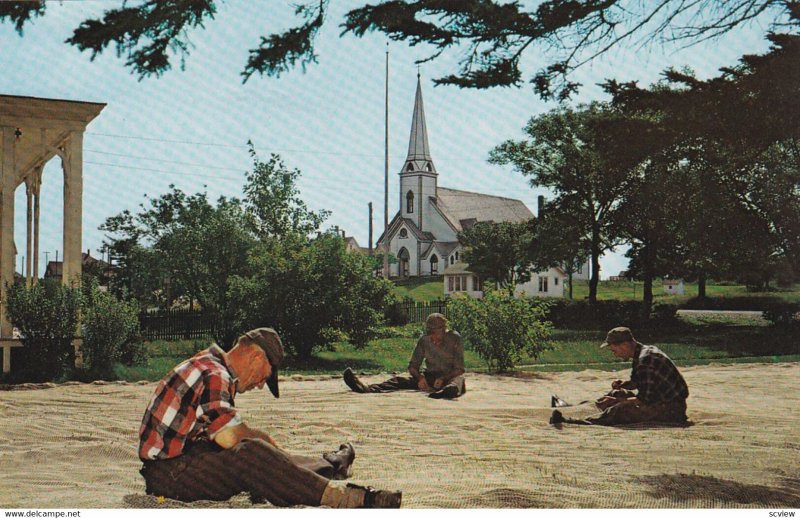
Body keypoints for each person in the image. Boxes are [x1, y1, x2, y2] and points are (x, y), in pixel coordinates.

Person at [138, 327, 402, 508]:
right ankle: (346, 497)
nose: (259, 384)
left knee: (265, 459)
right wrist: (266, 445)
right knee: (253, 453)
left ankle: (329, 464)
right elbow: (230, 438)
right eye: (265, 376)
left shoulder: (207, 364)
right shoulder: (214, 374)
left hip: (181, 463)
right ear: (255, 356)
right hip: (170, 475)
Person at [550, 326, 689, 427]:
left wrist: (619, 402)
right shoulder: (643, 352)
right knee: (616, 393)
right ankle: (579, 408)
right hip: (661, 400)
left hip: (671, 410)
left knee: (620, 410)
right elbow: (638, 382)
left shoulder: (645, 361)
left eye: (613, 349)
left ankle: (574, 421)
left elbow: (645, 399)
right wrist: (623, 385)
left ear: (624, 345)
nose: (614, 354)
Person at [342, 313, 465, 399]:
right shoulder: (424, 340)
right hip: (430, 377)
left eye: (435, 333)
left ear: (444, 329)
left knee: (457, 382)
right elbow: (413, 366)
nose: (432, 338)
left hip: (449, 377)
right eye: (429, 334)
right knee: (399, 380)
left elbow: (460, 369)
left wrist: (443, 378)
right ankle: (365, 388)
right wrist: (419, 378)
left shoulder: (454, 338)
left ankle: (446, 392)